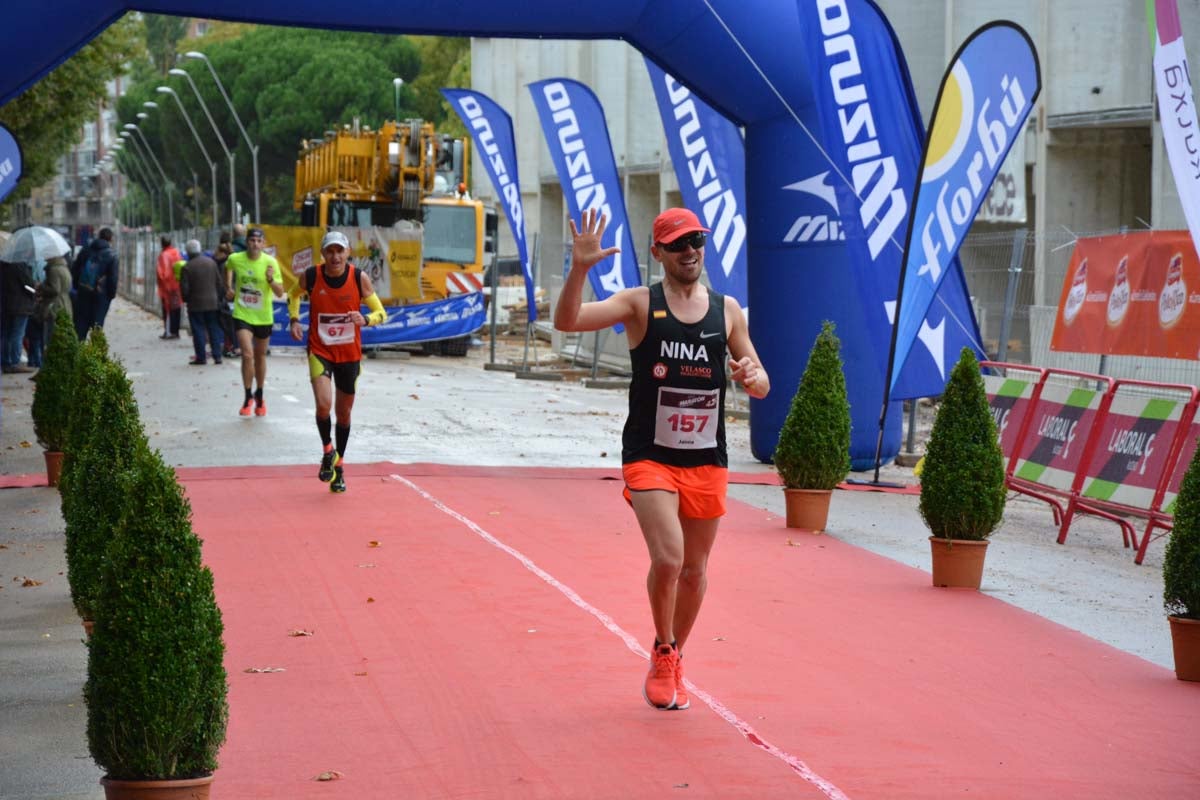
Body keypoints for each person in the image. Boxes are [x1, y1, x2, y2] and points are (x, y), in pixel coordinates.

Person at [554, 207, 770, 711]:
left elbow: (760, 378)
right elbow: (567, 322)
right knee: (669, 557)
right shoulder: (637, 304)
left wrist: (751, 377)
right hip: (650, 455)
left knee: (695, 572)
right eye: (677, 244)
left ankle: (669, 654)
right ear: (658, 253)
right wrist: (580, 269)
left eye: (696, 241)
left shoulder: (727, 310)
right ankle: (664, 648)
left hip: (706, 459)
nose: (689, 250)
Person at [287, 231, 387, 493]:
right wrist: (294, 319)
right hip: (320, 350)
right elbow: (292, 294)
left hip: (349, 355)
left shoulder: (358, 278)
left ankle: (339, 466)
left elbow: (381, 313)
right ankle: (327, 451)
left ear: (347, 253)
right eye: (330, 251)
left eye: (339, 251)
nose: (335, 256)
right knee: (323, 405)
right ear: (323, 254)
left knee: (343, 414)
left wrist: (366, 320)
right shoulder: (311, 276)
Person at [226, 227, 285, 416]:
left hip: (263, 316)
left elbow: (279, 292)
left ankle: (259, 394)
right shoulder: (236, 258)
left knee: (260, 356)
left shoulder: (270, 263)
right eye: (252, 240)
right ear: (247, 241)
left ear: (264, 243)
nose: (255, 244)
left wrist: (270, 280)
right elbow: (228, 267)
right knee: (247, 354)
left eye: (259, 241)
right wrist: (229, 287)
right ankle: (247, 396)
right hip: (243, 314)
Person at [179, 239, 225, 366]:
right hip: (212, 302)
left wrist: (186, 299)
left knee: (198, 330)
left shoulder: (187, 267)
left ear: (188, 252)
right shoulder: (211, 263)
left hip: (195, 304)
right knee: (213, 329)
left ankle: (201, 357)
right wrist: (218, 297)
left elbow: (185, 288)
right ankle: (217, 356)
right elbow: (219, 283)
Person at [71, 227, 118, 340]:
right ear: (110, 239)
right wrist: (110, 295)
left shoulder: (85, 251)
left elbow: (75, 271)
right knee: (97, 329)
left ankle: (78, 354)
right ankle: (94, 355)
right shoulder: (112, 255)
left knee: (80, 328)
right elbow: (113, 278)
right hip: (101, 296)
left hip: (83, 294)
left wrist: (79, 288)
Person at [0, 258, 36, 373]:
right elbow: (28, 285)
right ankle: (15, 362)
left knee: (6, 334)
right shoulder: (19, 264)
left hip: (6, 304)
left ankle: (5, 361)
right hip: (20, 305)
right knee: (17, 334)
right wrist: (35, 291)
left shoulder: (3, 264)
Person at [35, 255, 73, 343]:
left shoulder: (53, 270)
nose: (44, 257)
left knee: (50, 337)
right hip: (65, 304)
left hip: (54, 306)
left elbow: (55, 290)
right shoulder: (63, 267)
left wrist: (41, 286)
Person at [213, 233, 238, 359]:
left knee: (226, 322)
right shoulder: (231, 260)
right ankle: (231, 346)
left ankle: (230, 346)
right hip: (230, 294)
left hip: (224, 294)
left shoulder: (220, 262)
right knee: (230, 322)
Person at [156, 235, 182, 339]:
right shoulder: (176, 252)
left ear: (162, 244)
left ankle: (169, 332)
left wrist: (163, 285)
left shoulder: (163, 255)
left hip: (167, 287)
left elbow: (162, 273)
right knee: (177, 308)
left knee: (167, 310)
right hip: (177, 285)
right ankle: (176, 331)